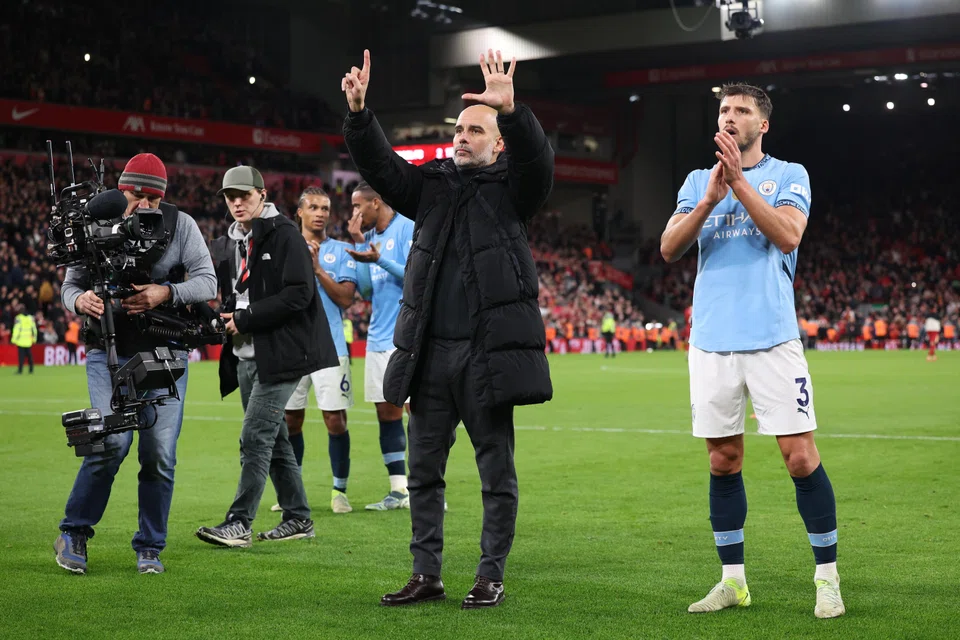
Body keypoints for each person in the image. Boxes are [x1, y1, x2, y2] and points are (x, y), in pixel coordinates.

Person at [341, 48, 553, 608]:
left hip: (488, 357)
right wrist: (361, 116)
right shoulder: (431, 187)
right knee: (423, 474)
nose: (461, 137)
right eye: (458, 129)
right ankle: (426, 572)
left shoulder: (514, 189)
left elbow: (541, 164)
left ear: (498, 141)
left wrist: (511, 111)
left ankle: (490, 574)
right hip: (430, 357)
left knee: (495, 475)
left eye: (475, 130)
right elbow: (382, 169)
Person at [660, 83, 845, 619]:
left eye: (741, 110)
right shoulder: (698, 182)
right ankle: (733, 581)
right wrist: (713, 197)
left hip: (771, 337)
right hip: (711, 342)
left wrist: (740, 186)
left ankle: (827, 579)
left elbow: (788, 235)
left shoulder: (789, 175)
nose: (730, 116)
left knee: (800, 457)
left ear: (762, 124)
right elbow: (670, 247)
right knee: (723, 460)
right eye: (723, 109)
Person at [55, 153, 217, 575]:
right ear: (119, 191)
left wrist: (165, 293)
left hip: (166, 351)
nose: (142, 205)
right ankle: (73, 532)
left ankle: (150, 547)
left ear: (162, 197)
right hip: (108, 350)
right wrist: (80, 300)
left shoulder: (182, 226)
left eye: (151, 198)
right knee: (111, 442)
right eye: (133, 195)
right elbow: (69, 285)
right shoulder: (95, 221)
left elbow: (208, 281)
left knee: (159, 452)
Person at [196, 166, 338, 548]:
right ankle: (298, 517)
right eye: (230, 197)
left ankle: (238, 523)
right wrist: (224, 315)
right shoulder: (229, 242)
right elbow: (236, 294)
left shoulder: (286, 235)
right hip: (245, 354)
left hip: (282, 353)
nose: (237, 202)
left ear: (261, 194)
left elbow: (299, 294)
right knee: (274, 441)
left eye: (244, 195)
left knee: (254, 437)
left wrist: (244, 317)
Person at [271, 187, 358, 515]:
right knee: (291, 421)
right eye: (314, 207)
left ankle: (339, 490)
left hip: (330, 347)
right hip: (292, 349)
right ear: (301, 212)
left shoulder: (342, 251)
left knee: (335, 421)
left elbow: (347, 299)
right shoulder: (283, 250)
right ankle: (292, 491)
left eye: (326, 208)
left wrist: (317, 267)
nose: (321, 213)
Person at [345, 180, 414, 511]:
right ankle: (399, 491)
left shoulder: (407, 227)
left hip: (408, 337)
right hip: (377, 337)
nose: (355, 213)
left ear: (376, 202)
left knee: (420, 413)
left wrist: (379, 260)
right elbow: (367, 291)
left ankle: (427, 487)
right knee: (387, 413)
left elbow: (416, 276)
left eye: (358, 206)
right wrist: (360, 245)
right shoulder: (369, 238)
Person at [11, 305, 36, 374]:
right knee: (29, 355)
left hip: (20, 340)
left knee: (21, 357)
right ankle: (31, 369)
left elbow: (16, 329)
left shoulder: (18, 318)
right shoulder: (30, 318)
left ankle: (20, 370)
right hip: (28, 340)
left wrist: (13, 339)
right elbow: (34, 329)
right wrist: (34, 338)